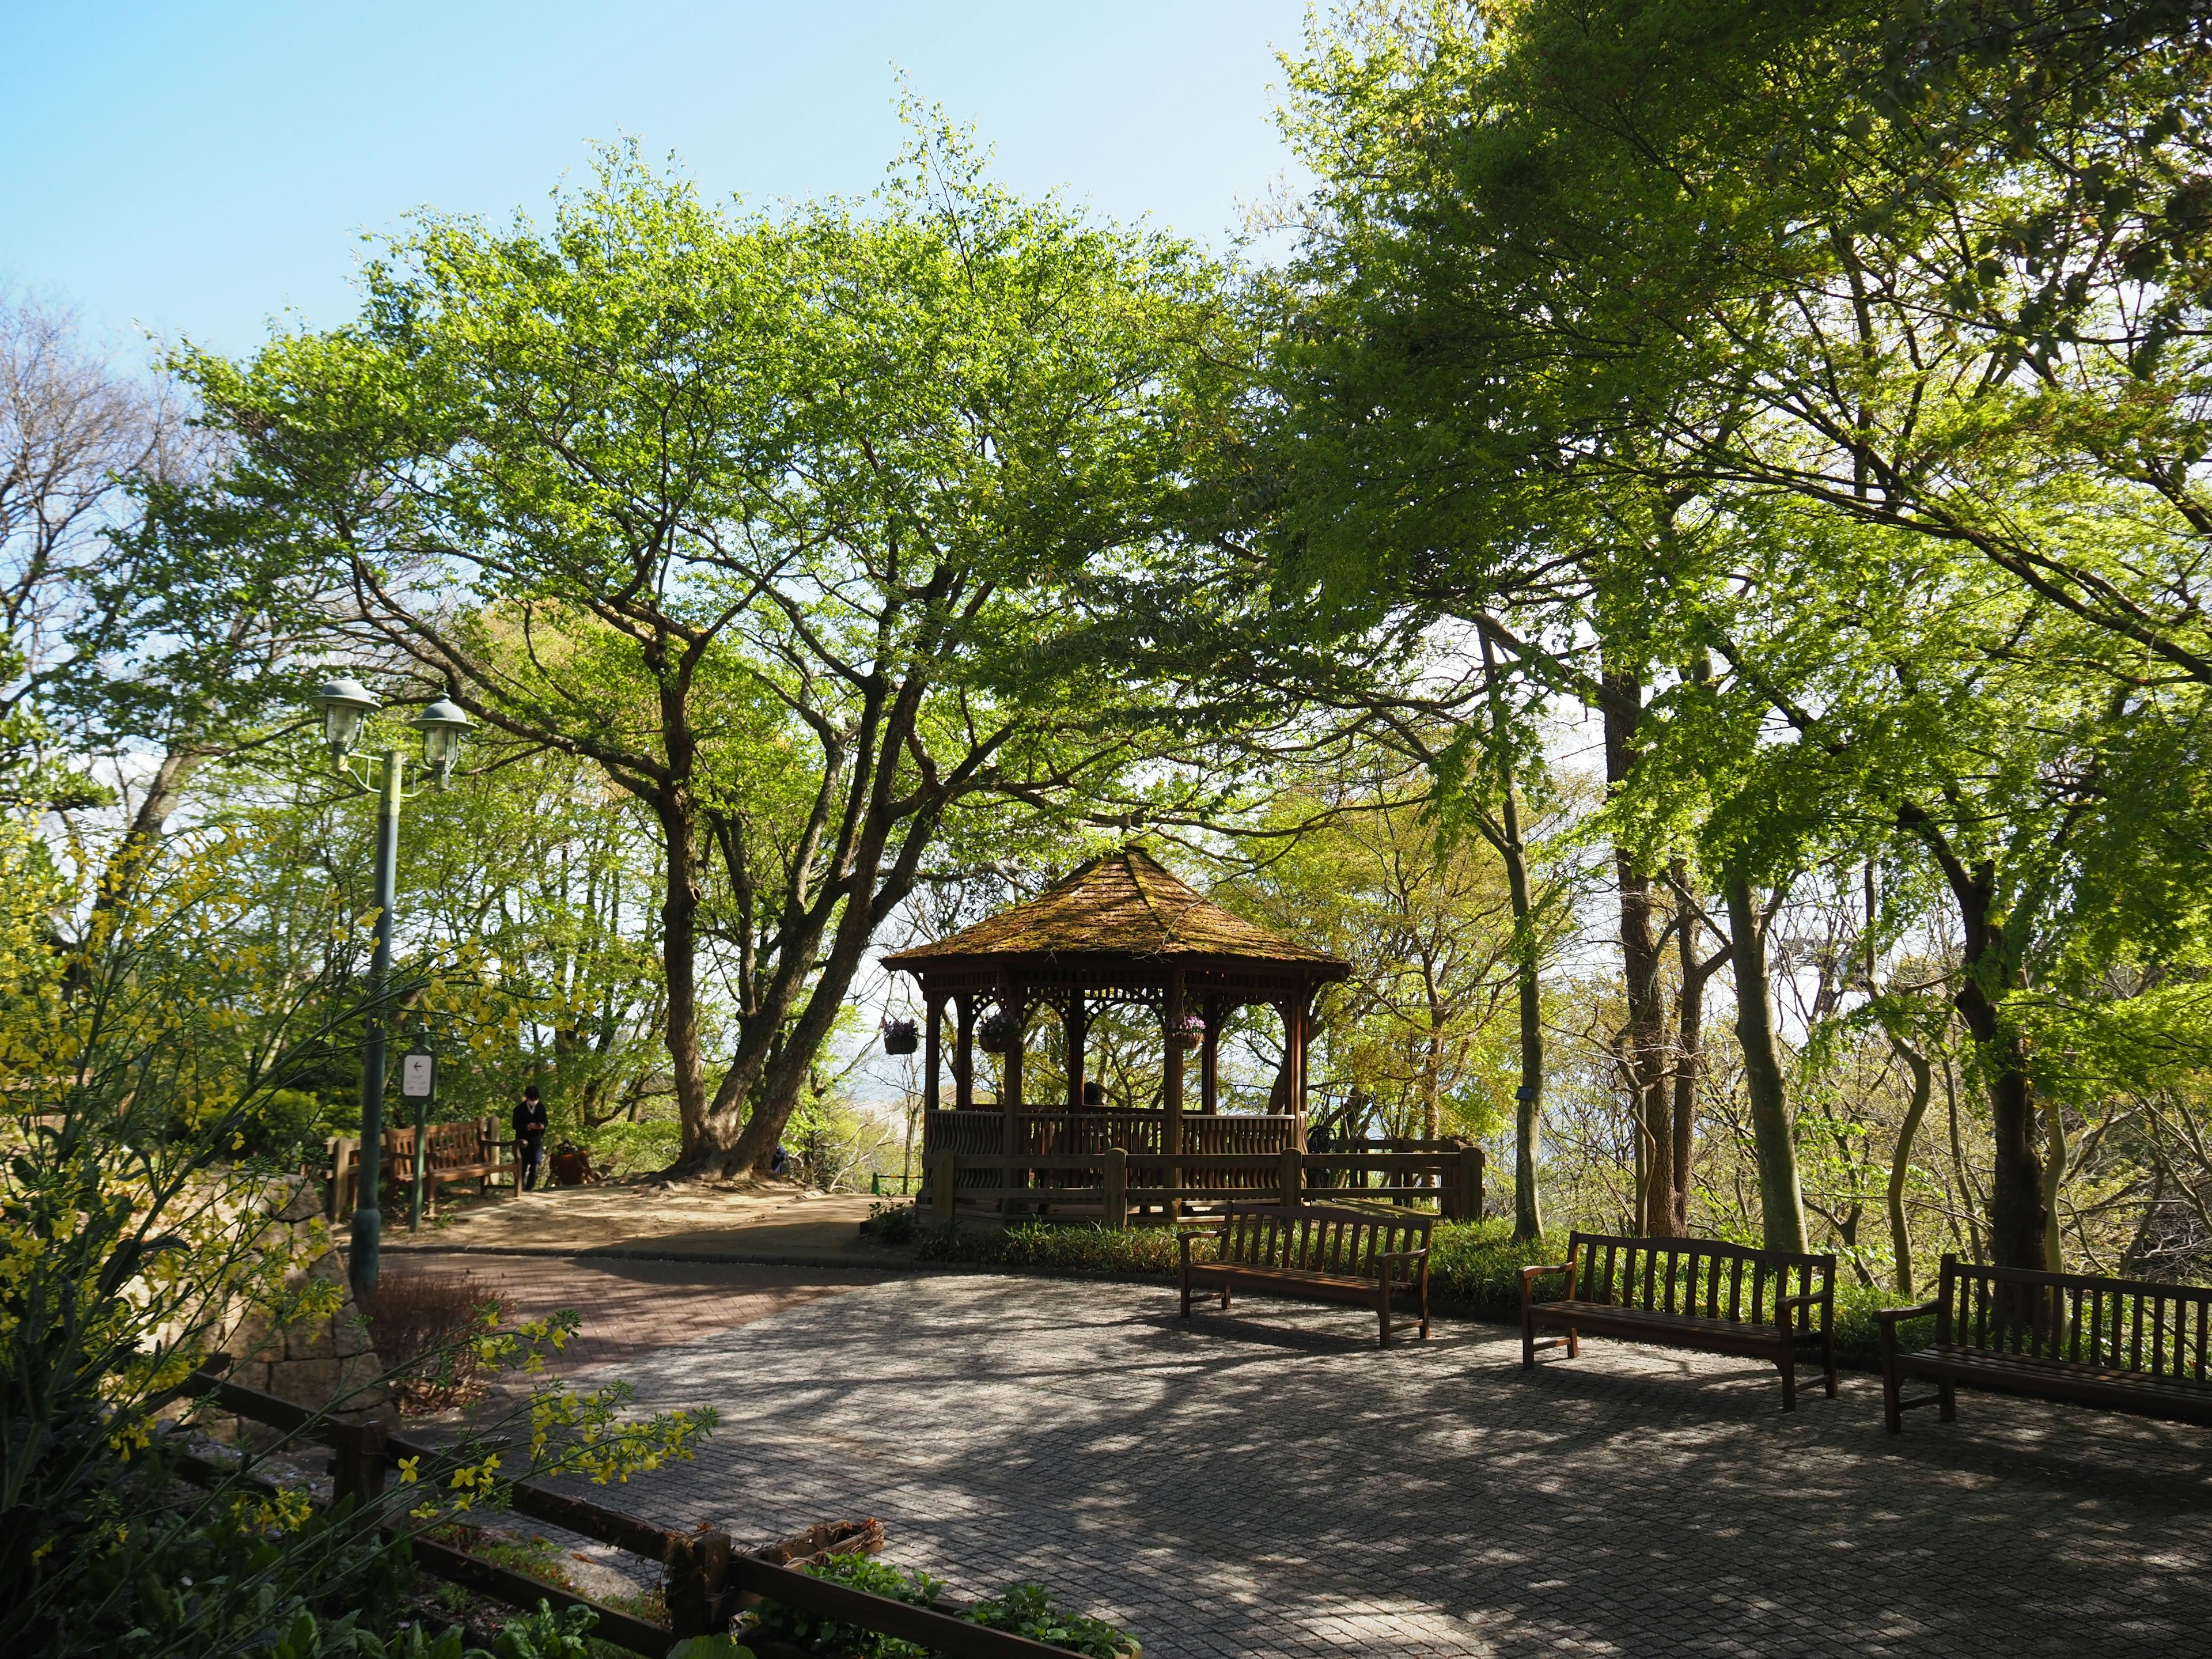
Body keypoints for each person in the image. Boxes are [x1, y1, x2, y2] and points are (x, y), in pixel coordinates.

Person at [513, 1083, 549, 1191]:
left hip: (536, 1140)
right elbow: (515, 1125)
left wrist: (542, 1125)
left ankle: (529, 1188)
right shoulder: (519, 1109)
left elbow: (545, 1121)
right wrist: (527, 1126)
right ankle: (520, 1186)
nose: (534, 1101)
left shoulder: (541, 1107)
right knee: (522, 1165)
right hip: (523, 1140)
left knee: (535, 1166)